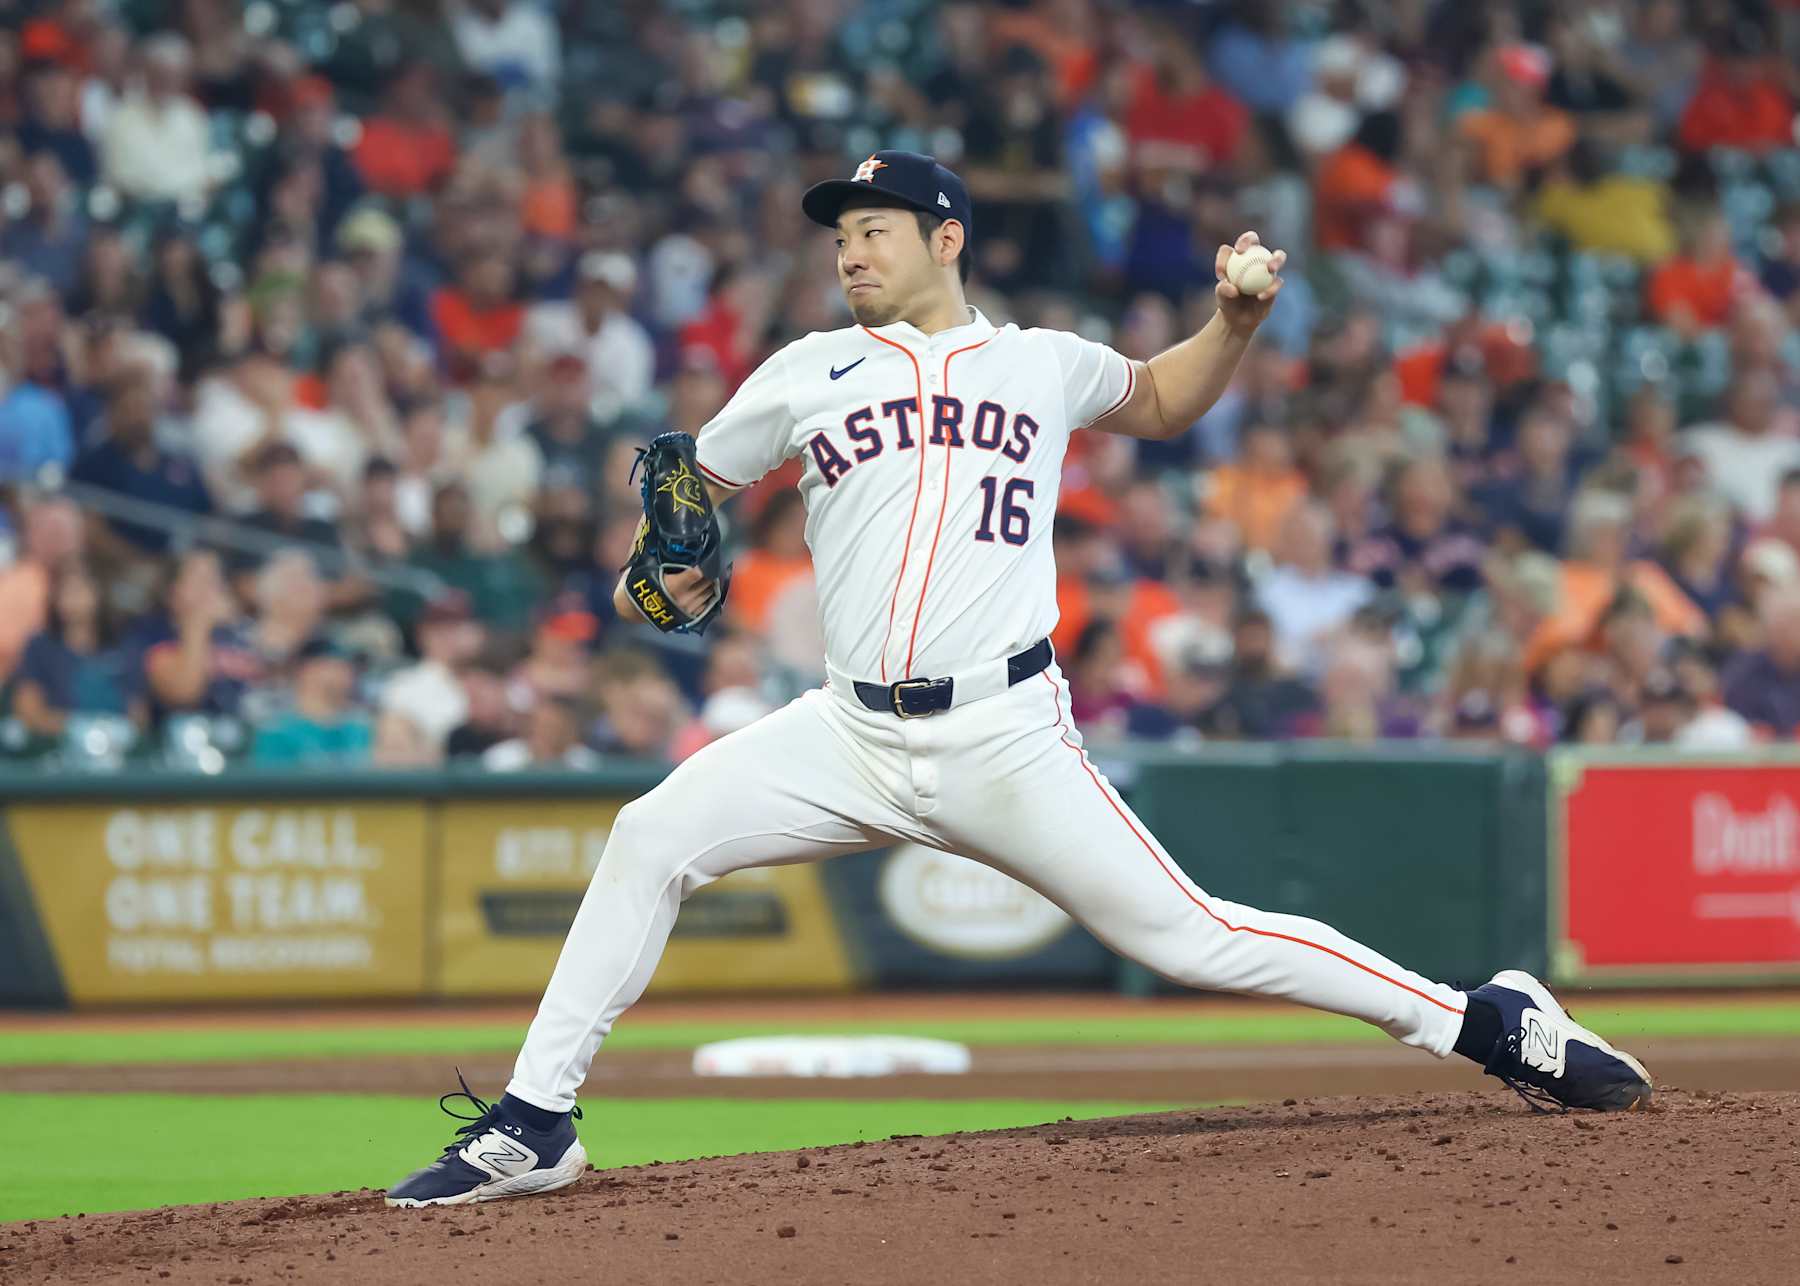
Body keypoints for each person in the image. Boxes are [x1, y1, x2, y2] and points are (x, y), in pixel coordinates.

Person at [386, 149, 1652, 1208]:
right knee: (650, 833)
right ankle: (536, 1119)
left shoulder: (1041, 361)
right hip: (844, 729)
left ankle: (1485, 1020)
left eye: (874, 229)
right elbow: (686, 504)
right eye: (842, 235)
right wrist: (649, 572)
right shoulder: (805, 371)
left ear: (947, 237)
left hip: (1004, 729)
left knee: (1198, 937)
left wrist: (1238, 323)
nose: (850, 252)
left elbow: (1158, 399)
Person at [10, 560, 142, 738]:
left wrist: (113, 732)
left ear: (99, 592)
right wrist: (78, 728)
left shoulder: (124, 645)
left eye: (79, 589)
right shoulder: (39, 648)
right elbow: (28, 711)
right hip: (55, 751)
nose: (71, 598)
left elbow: (139, 715)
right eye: (64, 590)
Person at [250, 637, 372, 767]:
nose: (345, 673)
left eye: (347, 667)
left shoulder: (363, 727)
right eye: (331, 666)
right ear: (305, 671)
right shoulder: (277, 731)